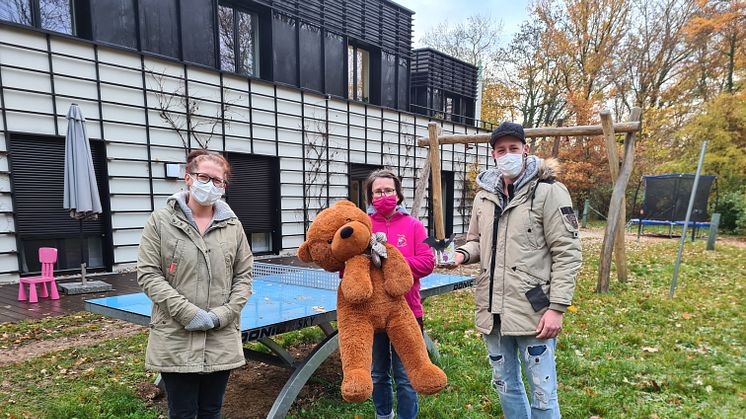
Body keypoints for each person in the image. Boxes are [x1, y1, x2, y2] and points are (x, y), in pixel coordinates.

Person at [450, 122, 582, 418]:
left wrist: (557, 308)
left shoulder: (549, 192)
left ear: (525, 150)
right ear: (493, 155)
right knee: (505, 384)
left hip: (534, 309)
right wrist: (461, 254)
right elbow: (477, 241)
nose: (507, 154)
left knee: (542, 391)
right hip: (492, 308)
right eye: (501, 150)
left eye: (513, 148)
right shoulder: (485, 195)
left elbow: (567, 252)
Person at [137, 149, 253, 419]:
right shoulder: (160, 222)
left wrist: (220, 316)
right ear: (188, 178)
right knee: (183, 412)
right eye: (204, 177)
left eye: (218, 181)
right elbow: (148, 274)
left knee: (211, 411)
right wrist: (189, 314)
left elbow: (244, 277)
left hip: (220, 335)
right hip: (176, 335)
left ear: (224, 186)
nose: (210, 185)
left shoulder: (233, 226)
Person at [365, 169, 435, 419]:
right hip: (373, 314)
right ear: (370, 196)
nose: (384, 195)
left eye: (389, 190)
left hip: (408, 311)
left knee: (407, 376)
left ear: (398, 194)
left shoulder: (414, 226)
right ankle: (384, 415)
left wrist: (391, 261)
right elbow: (346, 266)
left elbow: (427, 262)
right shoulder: (362, 226)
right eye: (378, 191)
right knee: (378, 373)